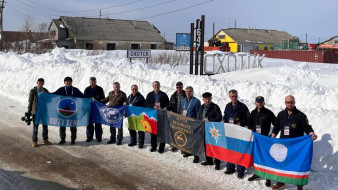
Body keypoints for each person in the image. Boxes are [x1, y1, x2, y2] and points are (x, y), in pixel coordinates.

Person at [270, 95, 317, 190]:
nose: (289, 104)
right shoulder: (281, 114)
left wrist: (311, 133)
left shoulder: (300, 115)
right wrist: (272, 137)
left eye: (291, 102)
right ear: (285, 103)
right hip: (283, 145)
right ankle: (281, 182)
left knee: (297, 165)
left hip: (296, 146)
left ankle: (299, 185)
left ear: (294, 102)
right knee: (282, 164)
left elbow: (306, 127)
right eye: (287, 102)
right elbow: (276, 127)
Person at [247, 96, 276, 187]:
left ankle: (268, 177)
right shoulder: (253, 112)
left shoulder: (268, 113)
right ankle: (257, 173)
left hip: (265, 139)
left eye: (261, 102)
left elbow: (276, 124)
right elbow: (250, 123)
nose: (259, 103)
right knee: (257, 157)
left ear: (264, 103)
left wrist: (272, 134)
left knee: (266, 158)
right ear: (255, 103)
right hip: (256, 139)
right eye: (257, 102)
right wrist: (251, 130)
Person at [222, 89, 250, 179]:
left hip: (239, 132)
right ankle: (230, 167)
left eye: (235, 96)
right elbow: (225, 115)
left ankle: (240, 170)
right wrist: (224, 120)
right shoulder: (227, 106)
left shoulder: (243, 107)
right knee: (230, 150)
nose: (234, 98)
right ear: (229, 97)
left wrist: (241, 122)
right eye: (232, 96)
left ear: (237, 96)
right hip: (230, 131)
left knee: (239, 151)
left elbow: (248, 118)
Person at [54, 77, 84, 145]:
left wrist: (90, 98)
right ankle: (62, 139)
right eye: (66, 81)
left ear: (71, 82)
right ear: (64, 82)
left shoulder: (75, 90)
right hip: (62, 111)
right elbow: (53, 94)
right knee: (62, 125)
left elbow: (83, 96)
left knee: (73, 125)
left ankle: (73, 139)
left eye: (69, 81)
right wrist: (46, 93)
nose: (68, 82)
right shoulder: (61, 89)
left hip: (73, 111)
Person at [197, 92, 222, 170]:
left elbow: (219, 117)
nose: (207, 100)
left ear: (211, 98)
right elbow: (199, 117)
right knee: (206, 145)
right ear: (203, 99)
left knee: (215, 146)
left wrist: (210, 120)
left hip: (213, 130)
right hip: (204, 129)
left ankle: (217, 162)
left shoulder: (215, 107)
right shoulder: (201, 107)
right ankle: (209, 160)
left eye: (209, 98)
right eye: (205, 99)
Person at [145, 81, 169, 153]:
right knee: (153, 131)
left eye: (157, 85)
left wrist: (165, 107)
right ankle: (153, 146)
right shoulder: (149, 94)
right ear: (153, 86)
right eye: (155, 85)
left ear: (159, 86)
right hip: (153, 115)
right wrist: (153, 106)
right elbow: (146, 104)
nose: (156, 86)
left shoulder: (164, 94)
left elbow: (168, 103)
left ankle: (161, 147)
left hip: (161, 115)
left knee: (162, 131)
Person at [28, 78, 52, 148]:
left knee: (45, 126)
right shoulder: (33, 91)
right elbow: (30, 101)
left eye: (42, 83)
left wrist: (47, 94)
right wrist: (29, 111)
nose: (40, 84)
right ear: (37, 82)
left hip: (44, 111)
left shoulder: (45, 90)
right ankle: (34, 141)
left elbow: (50, 100)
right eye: (39, 83)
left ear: (43, 83)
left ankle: (45, 140)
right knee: (35, 127)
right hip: (36, 112)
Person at [179, 86, 201, 163]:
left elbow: (199, 113)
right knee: (187, 138)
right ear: (185, 92)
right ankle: (188, 151)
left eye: (189, 91)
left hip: (193, 123)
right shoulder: (183, 101)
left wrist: (197, 123)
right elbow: (181, 110)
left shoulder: (196, 101)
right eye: (187, 91)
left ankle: (196, 156)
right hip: (185, 123)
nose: (188, 93)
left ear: (192, 92)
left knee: (195, 140)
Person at [84, 77, 105, 142]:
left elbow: (103, 99)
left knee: (98, 123)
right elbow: (84, 99)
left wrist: (97, 100)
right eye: (91, 82)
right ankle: (89, 137)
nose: (93, 83)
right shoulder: (87, 89)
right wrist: (90, 99)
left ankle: (99, 137)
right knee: (89, 123)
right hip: (89, 108)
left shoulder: (100, 89)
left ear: (96, 82)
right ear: (89, 82)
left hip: (98, 109)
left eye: (94, 82)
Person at [167, 81, 186, 152]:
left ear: (182, 87)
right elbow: (171, 105)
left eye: (180, 87)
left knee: (183, 132)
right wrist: (167, 108)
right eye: (177, 87)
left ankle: (182, 147)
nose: (178, 89)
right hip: (175, 116)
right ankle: (175, 145)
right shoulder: (173, 96)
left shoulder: (185, 95)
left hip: (183, 116)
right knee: (175, 131)